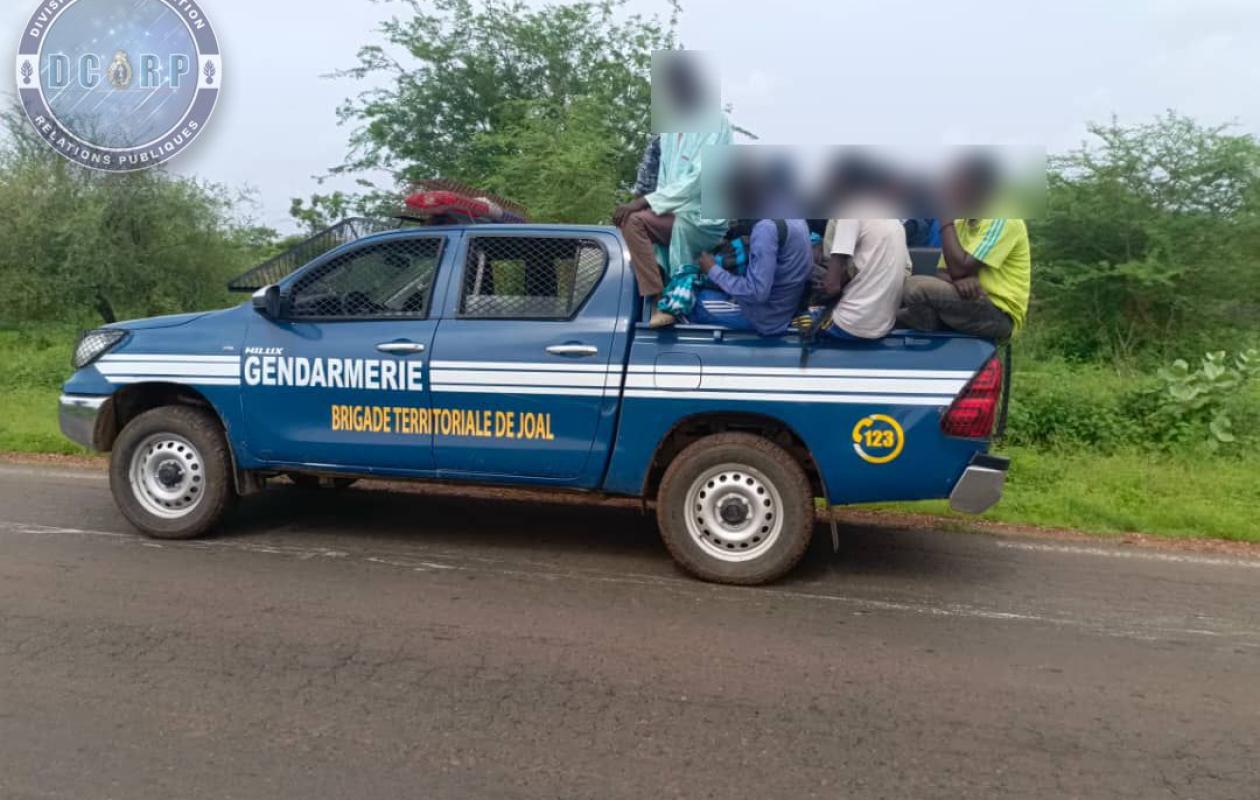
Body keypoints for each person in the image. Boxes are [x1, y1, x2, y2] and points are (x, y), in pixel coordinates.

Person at [613, 59, 732, 326]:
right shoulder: (668, 132)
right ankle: (657, 300)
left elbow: (699, 179)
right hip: (673, 211)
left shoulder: (716, 121)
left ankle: (660, 304)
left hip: (704, 216)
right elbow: (662, 182)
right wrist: (645, 203)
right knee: (627, 222)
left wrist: (643, 203)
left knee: (635, 220)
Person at [896, 159, 1031, 340]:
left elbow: (959, 268)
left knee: (915, 287)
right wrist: (961, 279)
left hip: (996, 312)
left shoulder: (1002, 218)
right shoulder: (961, 222)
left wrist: (945, 220)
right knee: (895, 311)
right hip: (968, 302)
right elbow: (942, 272)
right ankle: (928, 325)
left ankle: (928, 324)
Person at [686, 218, 814, 335]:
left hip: (766, 317)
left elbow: (757, 293)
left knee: (691, 302)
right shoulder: (797, 219)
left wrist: (712, 270)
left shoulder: (766, 228)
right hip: (786, 306)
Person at [816, 216, 912, 340]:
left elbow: (831, 287)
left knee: (800, 319)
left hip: (848, 325)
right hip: (883, 326)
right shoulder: (895, 223)